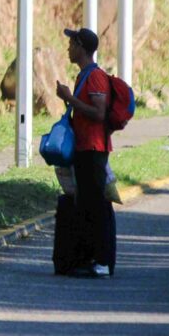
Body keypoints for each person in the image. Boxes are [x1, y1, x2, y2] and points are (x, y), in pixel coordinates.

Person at [56, 27, 115, 278]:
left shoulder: (95, 77)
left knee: (97, 207)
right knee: (86, 206)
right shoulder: (83, 76)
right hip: (83, 149)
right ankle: (88, 257)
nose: (68, 48)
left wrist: (69, 99)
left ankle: (102, 262)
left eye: (71, 44)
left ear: (81, 46)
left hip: (94, 149)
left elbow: (99, 113)